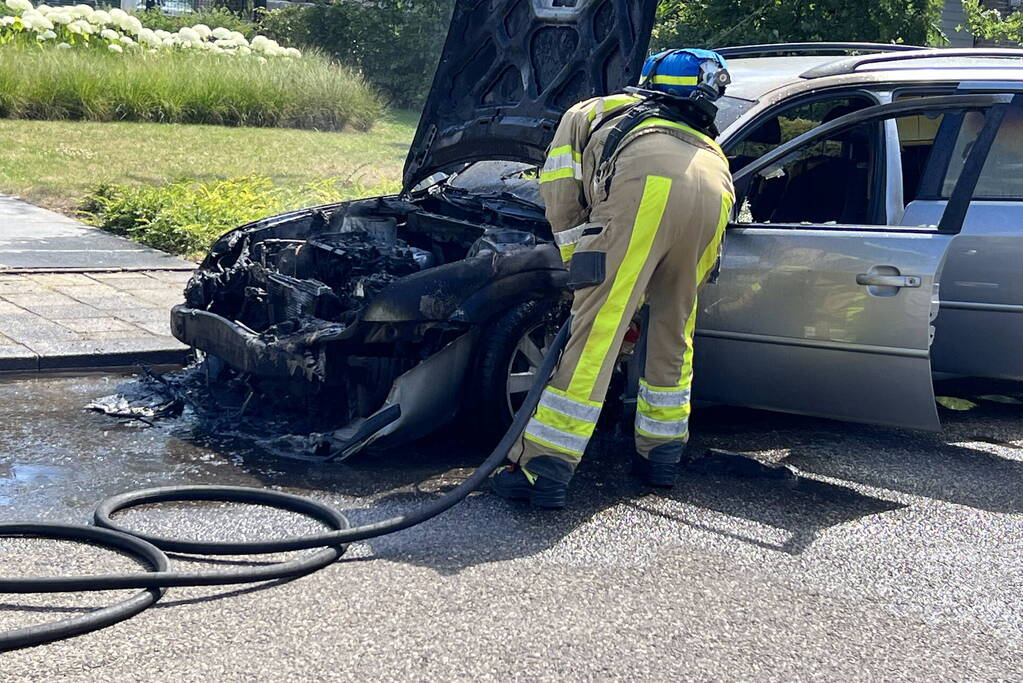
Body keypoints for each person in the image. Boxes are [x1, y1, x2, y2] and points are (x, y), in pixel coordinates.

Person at [491, 49, 736, 509]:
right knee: (674, 332)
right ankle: (660, 457)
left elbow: (561, 186)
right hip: (715, 188)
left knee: (596, 336)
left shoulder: (594, 109)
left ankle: (543, 470)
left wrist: (579, 262)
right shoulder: (707, 140)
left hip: (649, 185)